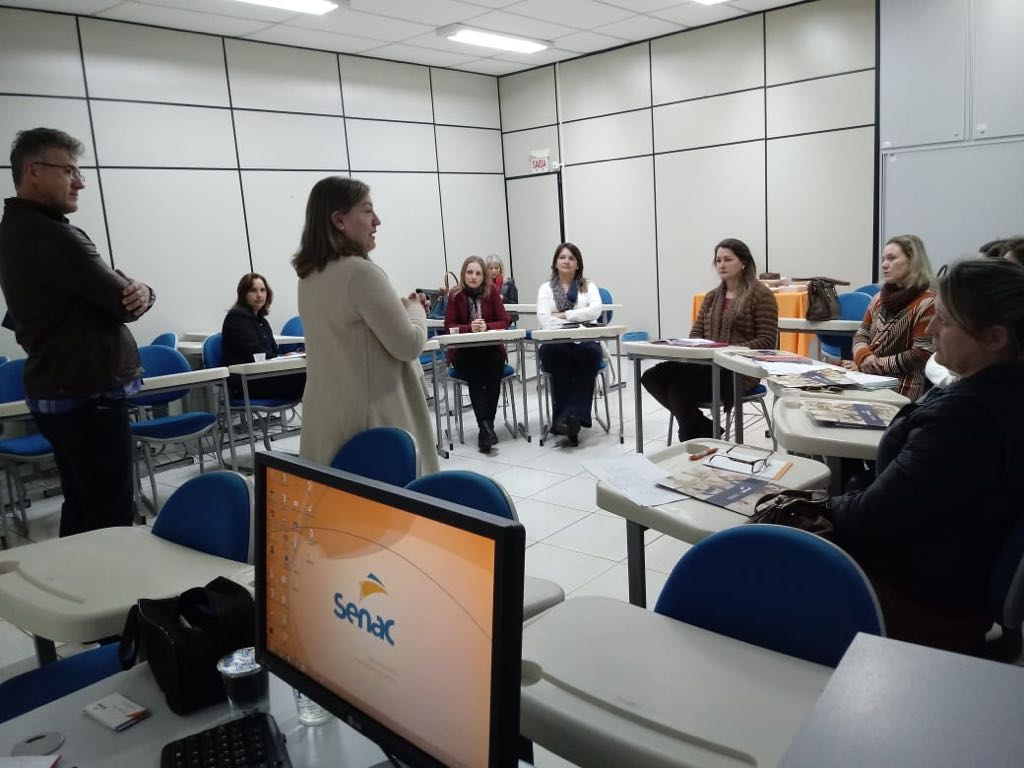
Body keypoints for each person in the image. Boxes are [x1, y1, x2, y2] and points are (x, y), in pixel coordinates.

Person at [826, 258, 1024, 653]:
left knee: (755, 552)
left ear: (995, 337)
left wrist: (819, 506)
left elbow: (872, 521)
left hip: (920, 600)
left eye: (945, 321)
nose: (931, 330)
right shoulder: (1003, 396)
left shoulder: (964, 421)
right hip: (953, 579)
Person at [0, 128, 155, 536]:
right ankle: (113, 599)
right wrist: (145, 291)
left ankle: (77, 590)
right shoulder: (52, 234)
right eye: (69, 170)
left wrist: (133, 293)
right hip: (88, 395)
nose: (81, 182)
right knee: (110, 515)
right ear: (33, 171)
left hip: (62, 390)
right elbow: (125, 302)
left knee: (85, 504)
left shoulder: (17, 229)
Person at [292, 176, 438, 473]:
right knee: (386, 509)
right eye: (368, 211)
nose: (377, 221)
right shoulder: (361, 273)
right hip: (373, 419)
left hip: (329, 418)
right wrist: (414, 309)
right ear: (339, 220)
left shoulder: (308, 278)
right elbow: (408, 345)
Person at [641, 238, 777, 442]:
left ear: (743, 262)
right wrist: (700, 347)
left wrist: (727, 349)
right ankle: (706, 428)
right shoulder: (712, 297)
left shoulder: (761, 295)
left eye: (728, 259)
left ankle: (692, 438)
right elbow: (695, 335)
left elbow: (767, 341)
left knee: (679, 389)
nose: (721, 265)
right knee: (651, 377)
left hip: (737, 368)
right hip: (704, 363)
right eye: (718, 260)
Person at [841, 234, 935, 400]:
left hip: (903, 386)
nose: (884, 265)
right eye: (884, 259)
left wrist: (872, 364)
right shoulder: (879, 298)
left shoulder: (927, 302)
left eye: (891, 258)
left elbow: (921, 353)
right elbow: (861, 334)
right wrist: (864, 357)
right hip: (866, 377)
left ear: (913, 261)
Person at [536, 242, 605, 446]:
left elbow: (596, 311)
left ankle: (566, 418)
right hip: (556, 341)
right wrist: (577, 317)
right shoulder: (546, 288)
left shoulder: (588, 286)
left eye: (571, 258)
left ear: (577, 264)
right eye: (562, 257)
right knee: (559, 355)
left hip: (583, 340)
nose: (566, 261)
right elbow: (544, 319)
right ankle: (572, 418)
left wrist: (565, 314)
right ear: (555, 263)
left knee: (591, 352)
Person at [444, 256, 510, 452]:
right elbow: (449, 327)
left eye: (478, 273)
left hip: (490, 347)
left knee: (494, 367)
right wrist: (469, 328)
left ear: (484, 276)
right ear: (464, 274)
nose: (473, 277)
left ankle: (485, 429)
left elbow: (504, 321)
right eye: (470, 272)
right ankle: (486, 426)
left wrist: (487, 326)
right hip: (464, 351)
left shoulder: (492, 293)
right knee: (475, 373)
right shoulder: (455, 295)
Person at [221, 272, 305, 402]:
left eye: (263, 290)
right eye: (253, 291)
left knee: (311, 376)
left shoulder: (261, 320)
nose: (259, 295)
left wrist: (284, 356)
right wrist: (281, 358)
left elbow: (272, 352)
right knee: (309, 379)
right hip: (248, 382)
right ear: (243, 294)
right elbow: (255, 353)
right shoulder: (237, 318)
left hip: (264, 376)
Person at [485, 254, 518, 323]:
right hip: (488, 321)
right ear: (486, 270)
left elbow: (515, 305)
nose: (494, 271)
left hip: (506, 321)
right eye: (490, 268)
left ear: (500, 269)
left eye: (496, 268)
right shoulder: (483, 285)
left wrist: (503, 298)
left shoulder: (509, 283)